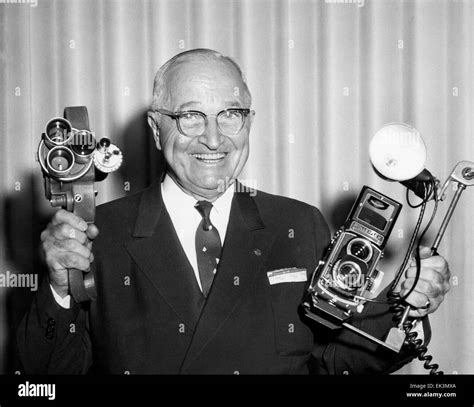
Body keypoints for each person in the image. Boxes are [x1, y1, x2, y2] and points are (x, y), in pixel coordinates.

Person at [17, 48, 450, 374]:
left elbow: (335, 362)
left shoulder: (298, 223)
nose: (213, 138)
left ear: (250, 123)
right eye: (190, 116)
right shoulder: (99, 234)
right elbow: (46, 374)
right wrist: (58, 287)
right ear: (155, 128)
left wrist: (403, 306)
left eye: (230, 115)